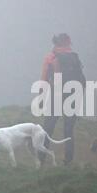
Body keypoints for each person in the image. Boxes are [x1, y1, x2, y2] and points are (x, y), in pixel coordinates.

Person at [39, 33, 86, 166]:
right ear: (67, 43)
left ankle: (41, 157)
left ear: (55, 43)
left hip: (57, 94)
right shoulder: (74, 57)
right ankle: (68, 160)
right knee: (69, 128)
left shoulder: (50, 57)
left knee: (48, 126)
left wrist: (41, 98)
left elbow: (43, 80)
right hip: (73, 93)